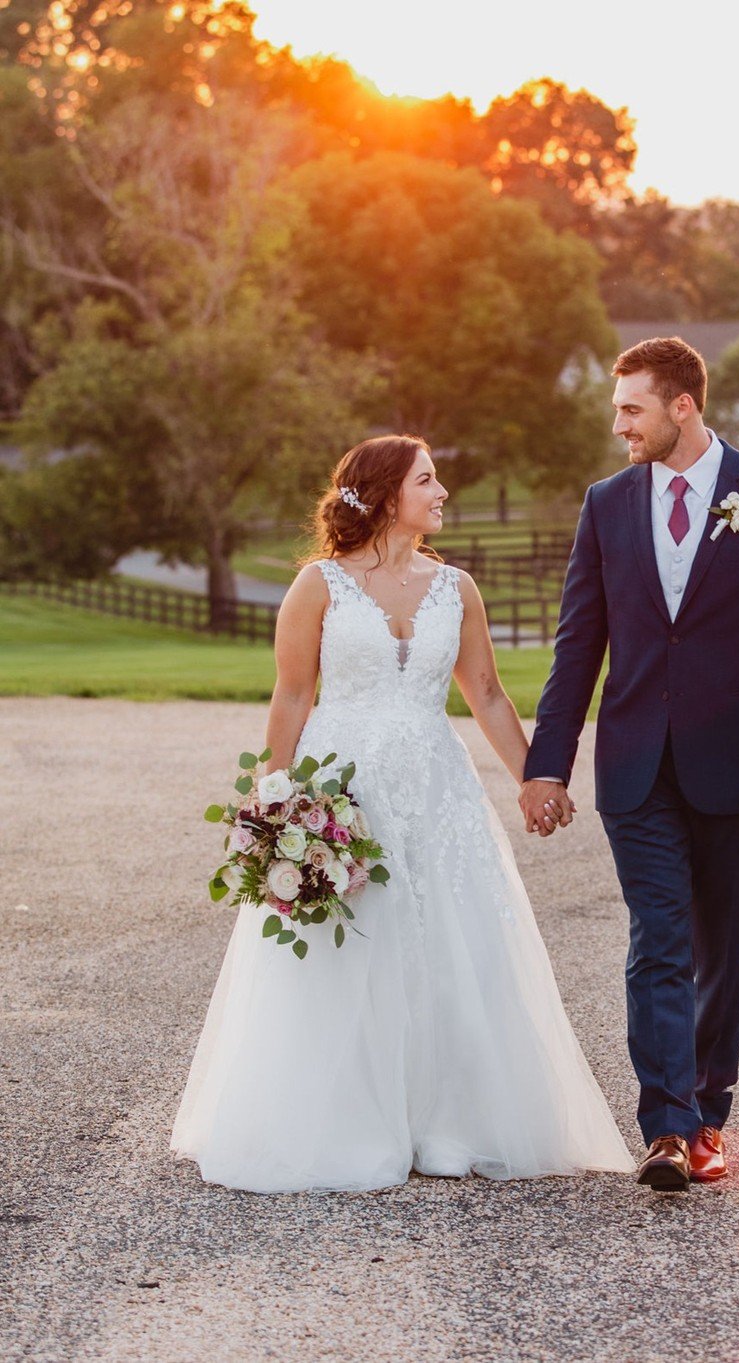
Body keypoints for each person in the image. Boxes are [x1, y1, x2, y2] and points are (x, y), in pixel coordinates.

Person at [172, 434, 633, 1193]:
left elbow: (484, 692)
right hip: (342, 785)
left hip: (435, 789)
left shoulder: (458, 587)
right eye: (428, 479)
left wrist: (535, 779)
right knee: (351, 942)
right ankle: (344, 1120)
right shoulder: (317, 585)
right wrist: (273, 798)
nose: (442, 490)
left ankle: (449, 1122)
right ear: (388, 496)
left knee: (450, 939)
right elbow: (293, 694)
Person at [520, 338, 739, 1191]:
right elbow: (578, 643)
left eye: (631, 409)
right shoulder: (607, 503)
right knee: (658, 935)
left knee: (720, 943)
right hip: (635, 766)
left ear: (682, 406)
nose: (619, 425)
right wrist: (549, 763)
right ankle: (667, 1126)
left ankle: (710, 1113)